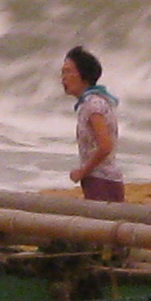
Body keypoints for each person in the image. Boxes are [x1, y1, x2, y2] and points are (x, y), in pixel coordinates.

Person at [61, 46, 124, 203]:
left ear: (84, 75)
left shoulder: (93, 105)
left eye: (68, 72)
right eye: (62, 72)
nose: (63, 78)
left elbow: (105, 146)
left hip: (101, 181)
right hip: (103, 180)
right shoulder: (94, 102)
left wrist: (82, 172)